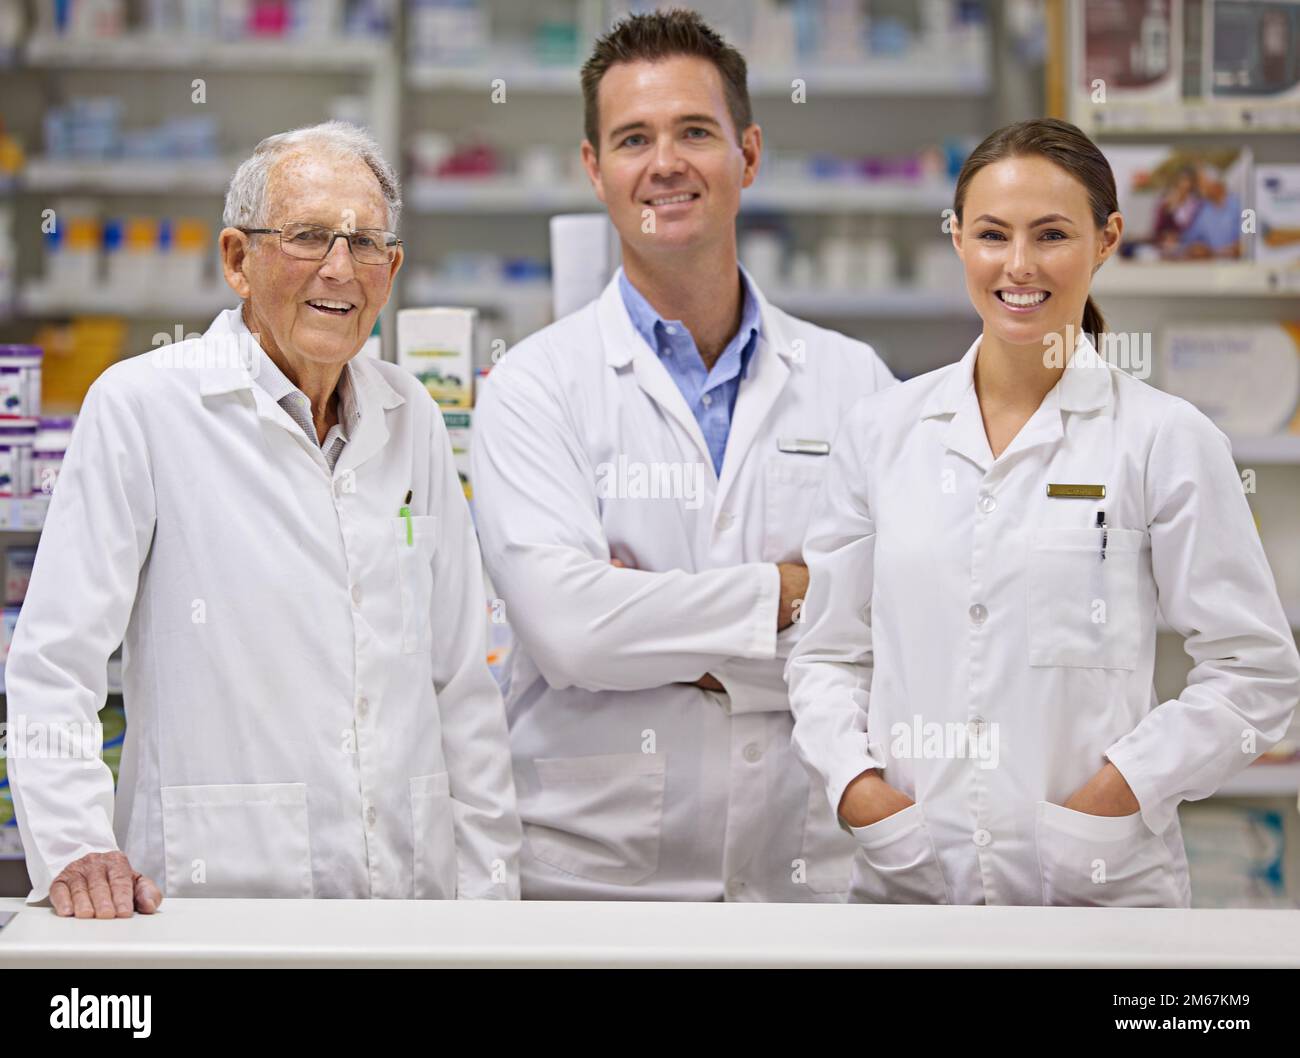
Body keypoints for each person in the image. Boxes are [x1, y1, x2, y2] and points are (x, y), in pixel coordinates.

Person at [7, 121, 522, 917]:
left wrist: (493, 904)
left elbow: (462, 682)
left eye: (365, 243)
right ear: (237, 261)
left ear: (393, 270)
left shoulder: (411, 412)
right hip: (213, 898)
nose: (340, 269)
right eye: (309, 236)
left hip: (411, 904)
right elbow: (54, 664)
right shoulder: (143, 406)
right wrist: (78, 848)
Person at [786, 118, 1300, 907]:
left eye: (1052, 234)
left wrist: (1120, 793)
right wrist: (858, 790)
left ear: (1107, 239)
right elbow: (827, 655)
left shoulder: (1163, 438)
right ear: (957, 239)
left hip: (1099, 891)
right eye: (992, 234)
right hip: (910, 885)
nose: (1018, 265)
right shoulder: (882, 432)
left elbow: (1257, 674)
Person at [470, 10, 894, 901]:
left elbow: (886, 630)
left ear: (747, 153)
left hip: (802, 870)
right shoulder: (533, 385)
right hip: (594, 884)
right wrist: (787, 591)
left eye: (694, 132)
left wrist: (648, 614)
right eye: (633, 139)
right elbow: (571, 633)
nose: (665, 163)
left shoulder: (854, 381)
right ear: (595, 169)